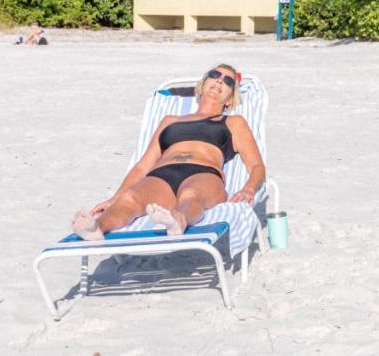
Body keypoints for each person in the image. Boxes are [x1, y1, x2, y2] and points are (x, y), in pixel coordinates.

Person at [70, 64, 266, 239]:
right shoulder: (170, 120)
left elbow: (257, 165)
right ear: (203, 84)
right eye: (215, 75)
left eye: (228, 81)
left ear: (230, 99)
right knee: (129, 199)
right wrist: (115, 197)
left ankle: (178, 220)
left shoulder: (233, 122)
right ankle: (96, 228)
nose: (219, 81)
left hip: (204, 173)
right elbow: (142, 167)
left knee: (190, 195)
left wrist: (249, 188)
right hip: (162, 175)